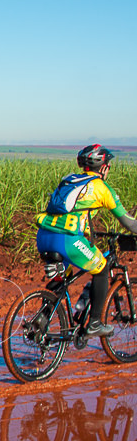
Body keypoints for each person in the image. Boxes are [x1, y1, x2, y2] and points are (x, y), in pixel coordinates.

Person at [36, 144, 137, 337]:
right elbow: (130, 224)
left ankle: (41, 320)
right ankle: (95, 324)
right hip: (67, 240)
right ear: (104, 167)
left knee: (61, 279)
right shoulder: (101, 188)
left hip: (43, 236)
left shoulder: (70, 179)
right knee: (102, 268)